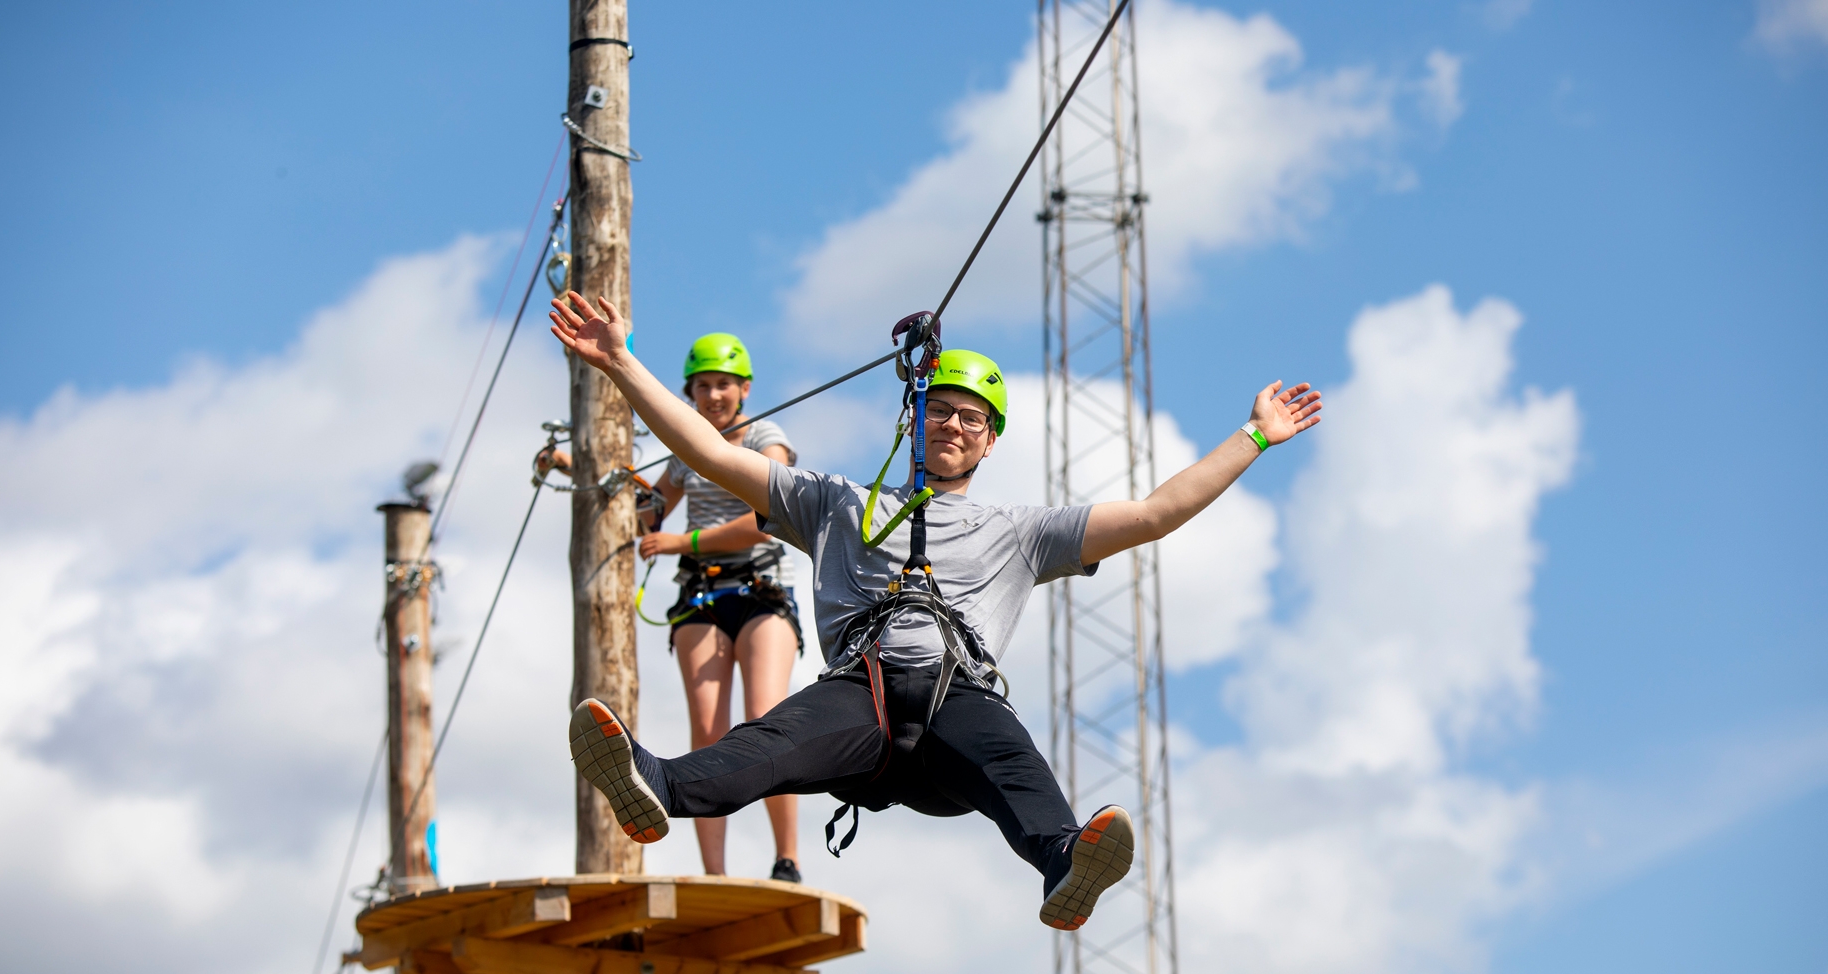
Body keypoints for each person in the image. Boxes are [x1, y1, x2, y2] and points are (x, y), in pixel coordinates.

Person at [549, 292, 1321, 930]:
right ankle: (657, 784)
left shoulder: (1020, 533)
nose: (954, 424)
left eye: (972, 419)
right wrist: (620, 361)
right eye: (941, 410)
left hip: (958, 706)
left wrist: (1254, 435)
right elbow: (711, 454)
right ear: (913, 421)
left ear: (989, 445)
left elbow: (1155, 513)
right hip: (864, 696)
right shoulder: (835, 503)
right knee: (772, 738)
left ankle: (1063, 862)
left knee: (1011, 756)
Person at [538, 332, 808, 883]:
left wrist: (684, 543)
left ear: (744, 389)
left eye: (724, 386)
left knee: (766, 718)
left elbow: (769, 515)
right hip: (703, 597)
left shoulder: (764, 436)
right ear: (689, 392)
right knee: (708, 731)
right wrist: (576, 463)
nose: (713, 397)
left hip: (760, 590)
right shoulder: (685, 451)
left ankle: (787, 858)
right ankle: (715, 871)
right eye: (703, 387)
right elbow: (650, 508)